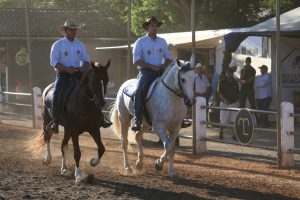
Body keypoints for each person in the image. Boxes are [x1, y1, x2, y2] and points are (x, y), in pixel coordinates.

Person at [46, 19, 111, 134]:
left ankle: (100, 117)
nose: (73, 32)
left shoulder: (80, 45)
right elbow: (54, 62)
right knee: (56, 94)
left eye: (74, 30)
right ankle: (55, 122)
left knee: (93, 90)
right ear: (65, 30)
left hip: (78, 73)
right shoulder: (57, 45)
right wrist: (67, 69)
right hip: (63, 74)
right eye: (71, 30)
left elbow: (86, 60)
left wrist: (84, 67)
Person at [131, 16, 173, 132]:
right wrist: (151, 66)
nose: (154, 27)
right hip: (146, 72)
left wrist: (163, 66)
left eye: (156, 25)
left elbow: (168, 58)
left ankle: (178, 118)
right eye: (152, 25)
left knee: (175, 86)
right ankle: (137, 119)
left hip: (161, 71)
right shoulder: (140, 41)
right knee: (139, 91)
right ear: (147, 27)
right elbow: (136, 60)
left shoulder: (162, 41)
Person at [218, 62, 240, 140]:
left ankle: (234, 135)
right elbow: (219, 93)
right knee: (223, 119)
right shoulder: (222, 81)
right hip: (224, 103)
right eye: (228, 73)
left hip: (234, 103)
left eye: (230, 73)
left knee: (234, 119)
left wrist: (237, 101)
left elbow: (238, 92)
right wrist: (225, 100)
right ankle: (221, 132)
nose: (229, 74)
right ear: (226, 73)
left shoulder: (235, 82)